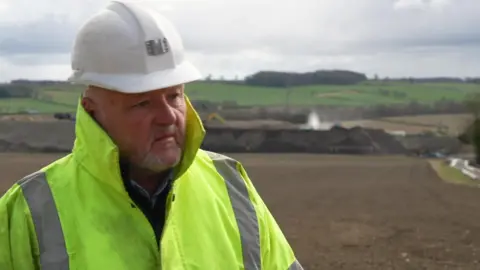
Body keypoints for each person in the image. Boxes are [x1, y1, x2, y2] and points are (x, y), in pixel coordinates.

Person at [0, 1, 303, 269]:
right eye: (142, 103)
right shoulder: (29, 209)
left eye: (174, 96)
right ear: (92, 111)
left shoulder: (231, 185)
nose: (168, 117)